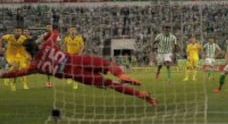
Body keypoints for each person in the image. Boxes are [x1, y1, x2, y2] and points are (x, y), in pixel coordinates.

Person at [0, 28, 158, 106]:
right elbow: (54, 31)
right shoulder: (48, 44)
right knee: (109, 65)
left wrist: (2, 75)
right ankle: (122, 74)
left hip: (74, 74)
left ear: (27, 51)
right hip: (78, 59)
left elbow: (18, 73)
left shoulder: (35, 66)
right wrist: (42, 38)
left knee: (109, 85)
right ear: (36, 44)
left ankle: (140, 94)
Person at [0, 26, 27, 91]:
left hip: (19, 56)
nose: (18, 32)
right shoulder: (9, 36)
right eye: (16, 31)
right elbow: (1, 38)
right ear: (14, 31)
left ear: (21, 32)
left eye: (19, 31)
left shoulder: (23, 38)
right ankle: (9, 79)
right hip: (10, 55)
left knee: (21, 69)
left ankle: (13, 82)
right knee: (15, 66)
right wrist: (0, 48)